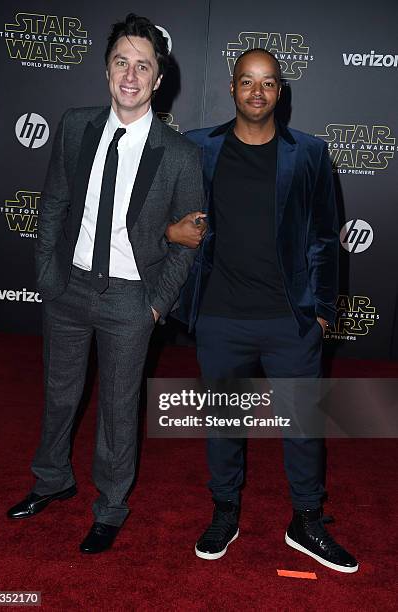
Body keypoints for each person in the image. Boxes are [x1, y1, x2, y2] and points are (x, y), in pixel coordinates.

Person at [7, 13, 204, 555]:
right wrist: (48, 276)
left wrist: (155, 307)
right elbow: (53, 205)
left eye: (144, 65)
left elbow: (190, 242)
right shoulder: (74, 126)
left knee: (119, 411)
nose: (132, 75)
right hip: (67, 289)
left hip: (130, 300)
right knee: (58, 397)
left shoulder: (181, 155)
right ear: (106, 70)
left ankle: (111, 507)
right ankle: (52, 480)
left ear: (160, 79)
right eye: (122, 62)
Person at [168, 48, 358, 573]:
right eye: (247, 82)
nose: (257, 92)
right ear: (231, 88)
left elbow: (324, 235)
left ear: (280, 92)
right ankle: (225, 510)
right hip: (222, 317)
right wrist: (169, 233)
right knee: (223, 422)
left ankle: (306, 521)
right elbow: (163, 214)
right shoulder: (197, 147)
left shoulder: (311, 153)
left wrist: (320, 312)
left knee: (302, 426)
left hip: (289, 320)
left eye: (268, 83)